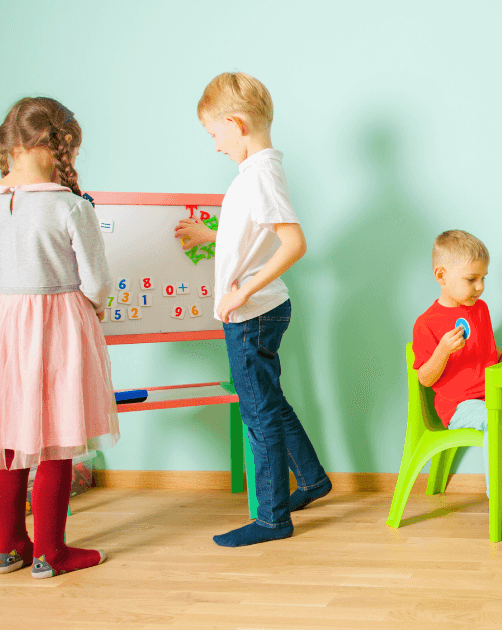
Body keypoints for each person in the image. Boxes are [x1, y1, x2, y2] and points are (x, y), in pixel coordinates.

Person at [0, 97, 116, 577]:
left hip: (10, 324)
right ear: (62, 145)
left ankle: (11, 547)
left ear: (10, 146)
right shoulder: (70, 207)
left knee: (11, 438)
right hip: (63, 323)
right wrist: (94, 310)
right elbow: (97, 283)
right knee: (57, 437)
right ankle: (51, 553)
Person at [175, 72, 330, 547]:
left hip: (251, 315)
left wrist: (241, 294)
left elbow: (293, 243)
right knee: (270, 402)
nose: (216, 145)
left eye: (214, 133)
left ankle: (272, 518)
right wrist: (212, 236)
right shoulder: (257, 172)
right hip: (262, 310)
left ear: (235, 123)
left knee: (257, 413)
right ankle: (311, 480)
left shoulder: (259, 174)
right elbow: (252, 233)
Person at [411, 230, 502, 541]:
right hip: (461, 405)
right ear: (441, 275)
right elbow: (425, 377)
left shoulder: (481, 309)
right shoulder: (427, 323)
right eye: (471, 279)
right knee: (499, 419)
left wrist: (499, 356)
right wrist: (442, 352)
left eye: (484, 278)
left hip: (497, 392)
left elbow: (482, 356)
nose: (480, 287)